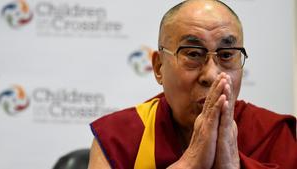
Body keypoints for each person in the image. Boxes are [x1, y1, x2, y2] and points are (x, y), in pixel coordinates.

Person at [88, 0, 297, 168]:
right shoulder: (120, 137)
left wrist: (233, 164)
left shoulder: (273, 134)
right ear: (159, 67)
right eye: (194, 54)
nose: (212, 75)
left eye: (226, 55)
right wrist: (190, 162)